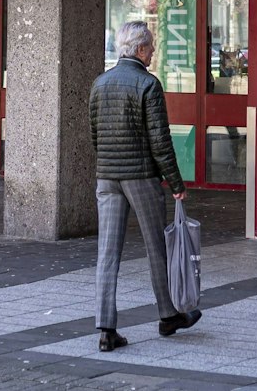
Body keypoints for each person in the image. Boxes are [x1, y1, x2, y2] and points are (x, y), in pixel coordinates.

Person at [90, 19, 200, 353]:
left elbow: (95, 135)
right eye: (150, 47)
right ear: (139, 49)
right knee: (156, 246)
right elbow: (160, 141)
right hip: (141, 177)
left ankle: (106, 328)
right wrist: (176, 182)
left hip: (107, 177)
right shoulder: (147, 85)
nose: (152, 53)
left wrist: (110, 164)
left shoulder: (100, 83)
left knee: (107, 253)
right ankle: (168, 314)